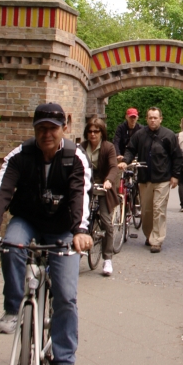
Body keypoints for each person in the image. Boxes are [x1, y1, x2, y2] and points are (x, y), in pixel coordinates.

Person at [0, 102, 93, 365]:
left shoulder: (75, 158)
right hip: (27, 220)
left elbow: (80, 195)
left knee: (66, 295)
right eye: (41, 128)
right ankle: (14, 308)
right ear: (34, 129)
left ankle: (64, 363)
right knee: (11, 244)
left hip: (63, 227)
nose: (46, 134)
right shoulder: (20, 155)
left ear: (64, 127)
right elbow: (2, 188)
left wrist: (80, 231)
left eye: (52, 128)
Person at [119, 107, 179, 253]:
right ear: (146, 119)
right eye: (150, 118)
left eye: (155, 118)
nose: (153, 120)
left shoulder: (169, 135)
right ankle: (149, 235)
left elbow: (177, 156)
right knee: (146, 211)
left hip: (162, 178)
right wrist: (125, 161)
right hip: (144, 178)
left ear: (160, 119)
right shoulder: (140, 135)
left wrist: (175, 175)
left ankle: (157, 240)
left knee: (159, 209)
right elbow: (130, 149)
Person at [82, 117, 121, 276]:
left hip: (104, 186)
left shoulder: (108, 147)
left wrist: (109, 180)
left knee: (106, 221)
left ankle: (107, 258)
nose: (93, 134)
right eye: (90, 131)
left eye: (96, 131)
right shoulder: (82, 147)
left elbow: (113, 167)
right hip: (87, 185)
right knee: (78, 216)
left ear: (101, 133)